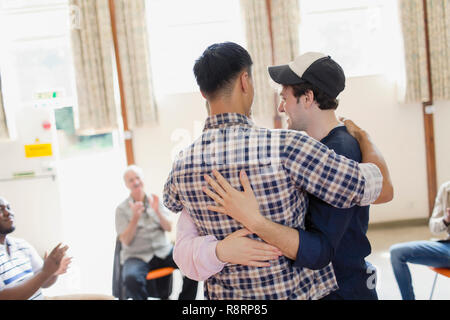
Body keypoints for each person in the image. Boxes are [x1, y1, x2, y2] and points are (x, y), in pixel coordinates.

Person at [164, 42, 390, 300]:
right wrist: (365, 139)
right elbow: (369, 186)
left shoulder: (182, 164)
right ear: (245, 81)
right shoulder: (288, 147)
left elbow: (170, 203)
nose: (281, 106)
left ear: (203, 93)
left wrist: (219, 250)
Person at [115, 165, 198, 300]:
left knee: (193, 263)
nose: (136, 182)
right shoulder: (121, 209)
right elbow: (125, 240)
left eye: (137, 178)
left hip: (163, 251)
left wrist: (157, 212)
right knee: (131, 279)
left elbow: (169, 228)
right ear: (126, 184)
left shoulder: (156, 200)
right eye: (131, 180)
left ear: (142, 179)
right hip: (137, 256)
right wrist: (135, 218)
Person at [0, 196, 71, 300]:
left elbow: (44, 283)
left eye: (8, 208)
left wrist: (53, 271)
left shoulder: (22, 245)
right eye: (0, 209)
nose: (8, 213)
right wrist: (45, 273)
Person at [390, 181, 450, 300]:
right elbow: (433, 227)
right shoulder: (445, 189)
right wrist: (446, 219)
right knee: (397, 253)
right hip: (447, 248)